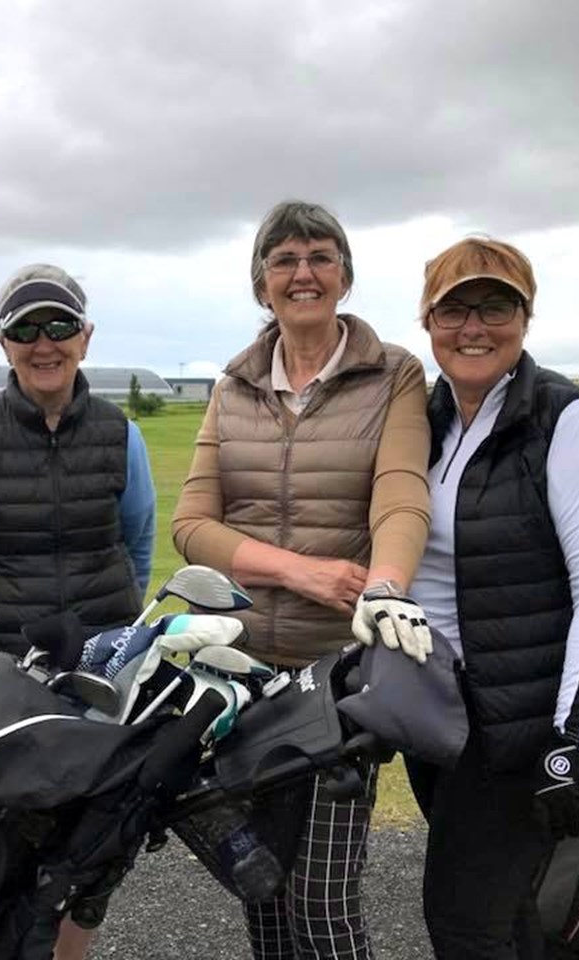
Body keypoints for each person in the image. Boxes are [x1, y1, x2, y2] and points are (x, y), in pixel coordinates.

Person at [172, 199, 432, 960]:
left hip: (338, 674)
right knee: (262, 887)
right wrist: (302, 572)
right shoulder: (234, 386)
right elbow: (192, 524)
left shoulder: (394, 374)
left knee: (321, 902)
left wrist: (384, 587)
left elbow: (401, 491)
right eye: (284, 260)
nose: (303, 273)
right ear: (262, 285)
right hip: (244, 673)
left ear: (345, 277)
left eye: (321, 257)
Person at [404, 236, 579, 960]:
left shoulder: (570, 421)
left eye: (496, 308)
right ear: (428, 321)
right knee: (511, 912)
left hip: (527, 723)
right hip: (443, 715)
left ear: (525, 318)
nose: (473, 328)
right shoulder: (426, 421)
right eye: (454, 310)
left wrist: (573, 739)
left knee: (463, 922)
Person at [0, 262, 155, 959]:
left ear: (85, 336)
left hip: (101, 674)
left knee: (92, 847)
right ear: (3, 343)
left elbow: (137, 543)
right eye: (26, 329)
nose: (44, 343)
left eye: (59, 325)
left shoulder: (121, 433)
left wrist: (109, 629)